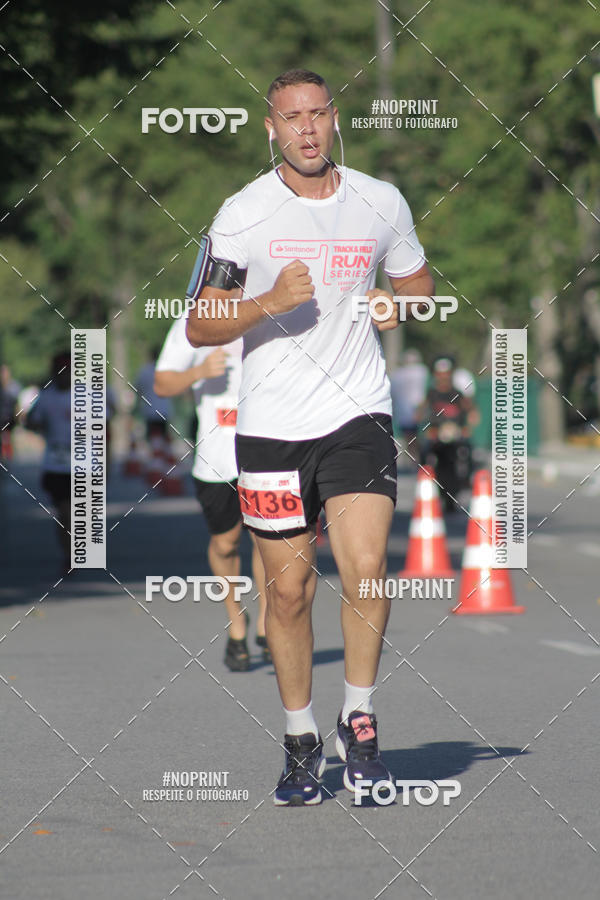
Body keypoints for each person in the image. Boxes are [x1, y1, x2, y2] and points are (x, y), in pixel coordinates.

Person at [186, 69, 434, 806]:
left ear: (334, 119)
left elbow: (420, 288)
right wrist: (267, 301)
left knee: (366, 568)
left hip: (358, 412)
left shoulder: (380, 200)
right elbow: (201, 322)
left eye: (317, 114)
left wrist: (399, 305)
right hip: (270, 427)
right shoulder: (242, 214)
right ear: (271, 128)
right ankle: (300, 739)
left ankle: (359, 721)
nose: (306, 128)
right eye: (290, 117)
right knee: (288, 593)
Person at [154, 316, 268, 670]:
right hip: (216, 458)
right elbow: (162, 383)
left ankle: (267, 619)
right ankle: (237, 620)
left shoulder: (273, 311)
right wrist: (199, 370)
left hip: (269, 448)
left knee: (269, 538)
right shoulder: (195, 321)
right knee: (226, 543)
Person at [25, 351, 72, 575]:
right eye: (60, 371)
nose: (64, 376)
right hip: (55, 463)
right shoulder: (46, 397)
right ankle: (69, 555)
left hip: (84, 463)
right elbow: (30, 421)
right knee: (64, 512)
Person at [418, 356, 478, 511]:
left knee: (468, 452)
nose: (443, 377)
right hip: (437, 436)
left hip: (455, 435)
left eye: (446, 373)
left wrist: (467, 424)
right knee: (424, 454)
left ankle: (465, 480)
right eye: (440, 373)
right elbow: (420, 412)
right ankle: (427, 481)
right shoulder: (431, 393)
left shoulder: (457, 393)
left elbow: (471, 412)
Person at [389, 348, 428, 453]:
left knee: (412, 438)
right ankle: (418, 461)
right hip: (415, 407)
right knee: (415, 437)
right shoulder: (421, 371)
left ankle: (417, 460)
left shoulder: (397, 374)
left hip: (409, 409)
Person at [135, 348, 174, 442]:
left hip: (150, 412)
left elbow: (138, 390)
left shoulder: (144, 371)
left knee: (153, 442)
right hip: (164, 411)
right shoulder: (167, 370)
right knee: (162, 443)